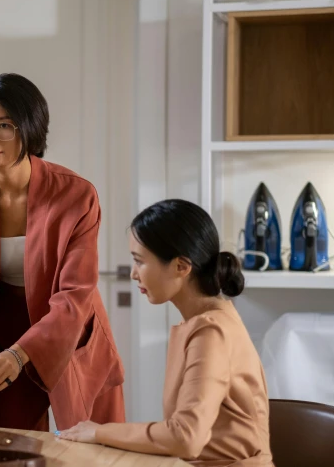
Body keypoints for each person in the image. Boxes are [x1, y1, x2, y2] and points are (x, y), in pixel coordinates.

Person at [0, 73, 125, 431]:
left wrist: (24, 353)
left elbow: (75, 294)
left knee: (94, 450)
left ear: (30, 127)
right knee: (17, 450)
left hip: (70, 332)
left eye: (4, 125)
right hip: (3, 338)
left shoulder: (76, 196)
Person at [59, 199, 273, 466]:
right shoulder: (209, 321)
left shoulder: (211, 333)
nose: (134, 274)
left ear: (181, 267)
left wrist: (99, 431)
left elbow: (186, 437)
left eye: (140, 261)